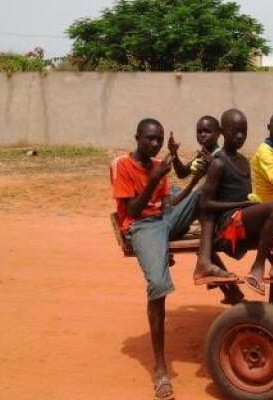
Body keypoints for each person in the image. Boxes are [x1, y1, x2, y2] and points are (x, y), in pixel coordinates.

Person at [109, 118, 206, 400]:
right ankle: (161, 367)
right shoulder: (123, 165)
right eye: (150, 138)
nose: (155, 144)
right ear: (137, 136)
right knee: (158, 285)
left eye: (159, 140)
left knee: (202, 196)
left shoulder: (159, 167)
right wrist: (153, 180)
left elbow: (168, 205)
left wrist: (195, 182)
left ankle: (209, 260)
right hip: (142, 226)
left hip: (163, 219)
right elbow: (135, 211)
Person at [200, 109, 273, 296]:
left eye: (243, 131)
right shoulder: (219, 162)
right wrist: (242, 206)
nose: (239, 136)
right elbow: (205, 205)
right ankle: (258, 268)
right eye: (234, 131)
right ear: (222, 132)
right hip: (229, 225)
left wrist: (249, 203)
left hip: (244, 215)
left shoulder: (243, 160)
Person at [166, 117, 243, 303]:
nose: (202, 134)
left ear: (219, 134)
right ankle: (231, 292)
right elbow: (183, 173)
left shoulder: (218, 156)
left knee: (202, 246)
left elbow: (215, 188)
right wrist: (174, 154)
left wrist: (208, 171)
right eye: (199, 131)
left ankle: (165, 234)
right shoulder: (204, 153)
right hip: (200, 208)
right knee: (172, 190)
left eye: (207, 131)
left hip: (211, 210)